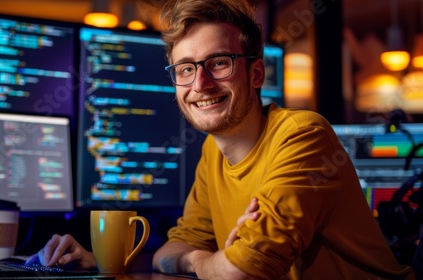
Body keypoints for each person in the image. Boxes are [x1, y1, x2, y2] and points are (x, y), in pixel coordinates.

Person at [27, 0, 415, 278]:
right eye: (185, 68)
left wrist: (211, 260)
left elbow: (246, 270)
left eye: (218, 63)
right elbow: (171, 250)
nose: (200, 84)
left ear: (256, 73)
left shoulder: (303, 136)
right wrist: (204, 259)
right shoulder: (213, 153)